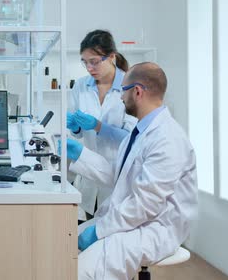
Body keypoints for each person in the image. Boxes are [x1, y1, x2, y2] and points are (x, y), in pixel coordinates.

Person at [64, 62, 197, 280]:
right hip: (132, 220)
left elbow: (145, 205)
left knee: (79, 272)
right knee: (62, 250)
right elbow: (119, 174)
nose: (120, 97)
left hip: (155, 228)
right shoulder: (139, 131)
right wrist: (80, 154)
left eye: (123, 91)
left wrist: (99, 231)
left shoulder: (167, 139)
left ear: (137, 91)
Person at [68, 30, 137, 221]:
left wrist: (99, 127)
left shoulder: (130, 84)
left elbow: (134, 139)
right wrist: (75, 128)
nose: (89, 67)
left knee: (112, 237)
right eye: (85, 62)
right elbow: (79, 135)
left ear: (112, 57)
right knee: (84, 232)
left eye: (95, 61)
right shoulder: (81, 86)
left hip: (117, 176)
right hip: (88, 175)